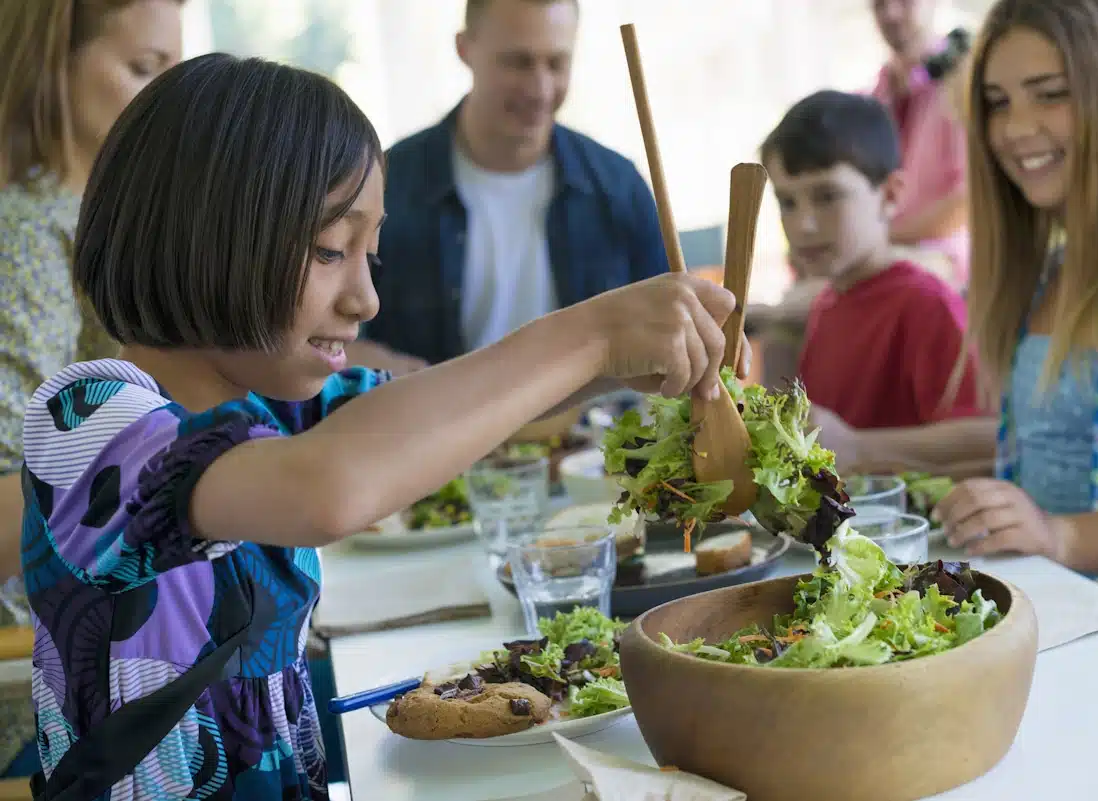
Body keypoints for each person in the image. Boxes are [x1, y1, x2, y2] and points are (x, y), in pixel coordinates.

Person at [21, 53, 747, 800]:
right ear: (208, 235)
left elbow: (432, 409)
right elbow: (329, 489)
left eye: (369, 253)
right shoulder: (90, 420)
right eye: (333, 249)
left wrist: (619, 360)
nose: (366, 297)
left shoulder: (271, 407)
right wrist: (591, 334)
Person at [935, 0, 1098, 577]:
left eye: (1051, 93)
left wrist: (1062, 537)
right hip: (1047, 619)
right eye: (997, 104)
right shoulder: (1048, 272)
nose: (1015, 130)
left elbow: (1056, 528)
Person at [0, 0, 183, 779]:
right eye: (143, 71)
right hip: (52, 685)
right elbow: (10, 506)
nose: (165, 104)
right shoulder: (25, 237)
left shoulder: (94, 218)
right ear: (51, 63)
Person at [350, 0, 669, 372]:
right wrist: (380, 366)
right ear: (465, 49)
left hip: (590, 429)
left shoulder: (619, 187)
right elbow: (326, 338)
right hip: (437, 428)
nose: (540, 88)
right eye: (518, 62)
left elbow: (668, 327)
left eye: (556, 63)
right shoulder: (387, 186)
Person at [760, 91, 994, 480]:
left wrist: (858, 448)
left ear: (890, 195)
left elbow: (991, 438)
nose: (804, 225)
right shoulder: (825, 304)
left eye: (827, 196)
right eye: (787, 202)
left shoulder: (923, 302)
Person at [869, 0, 970, 287]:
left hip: (946, 259)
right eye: (879, 5)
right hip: (886, 249)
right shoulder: (876, 93)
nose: (890, 14)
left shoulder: (961, 81)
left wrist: (881, 236)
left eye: (904, 2)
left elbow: (964, 204)